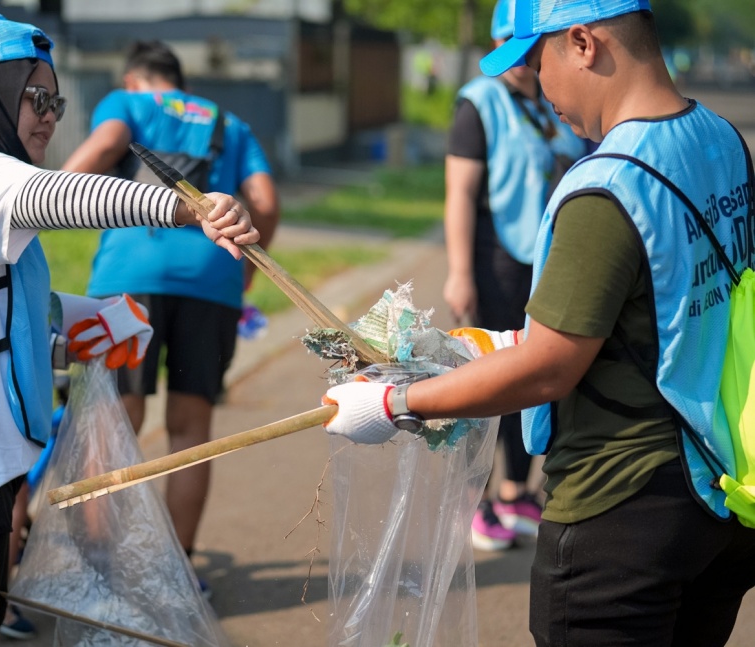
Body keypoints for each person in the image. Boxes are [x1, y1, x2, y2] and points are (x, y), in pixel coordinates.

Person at [321, 1, 755, 645]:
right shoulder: (718, 138)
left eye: (533, 60)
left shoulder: (609, 186)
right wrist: (504, 343)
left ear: (582, 43)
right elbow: (668, 302)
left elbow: (551, 368)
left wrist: (395, 401)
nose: (534, 85)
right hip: (719, 495)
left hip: (620, 510)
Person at [0, 13, 259, 646]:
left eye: (57, 100)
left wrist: (84, 327)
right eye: (35, 97)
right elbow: (69, 197)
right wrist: (192, 207)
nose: (50, 115)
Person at [62, 40, 280, 576]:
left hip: (129, 278)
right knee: (190, 428)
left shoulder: (127, 104)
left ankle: (100, 568)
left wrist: (47, 191)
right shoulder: (232, 123)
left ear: (135, 79)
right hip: (213, 280)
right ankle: (177, 570)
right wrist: (244, 273)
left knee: (115, 421)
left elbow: (99, 151)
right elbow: (267, 202)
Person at [442, 0, 586, 551]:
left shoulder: (556, 105)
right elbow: (459, 194)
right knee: (498, 376)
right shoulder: (479, 104)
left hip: (548, 261)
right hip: (495, 260)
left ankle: (515, 490)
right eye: (512, 51)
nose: (522, 64)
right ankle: (477, 499)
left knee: (539, 377)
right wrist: (459, 272)